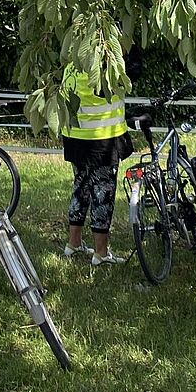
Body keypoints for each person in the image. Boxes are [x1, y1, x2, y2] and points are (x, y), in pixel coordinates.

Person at [60, 63, 131, 266]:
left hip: (75, 134)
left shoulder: (74, 54)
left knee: (80, 188)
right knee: (103, 193)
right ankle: (101, 253)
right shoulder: (104, 56)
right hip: (101, 136)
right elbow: (132, 73)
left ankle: (73, 243)